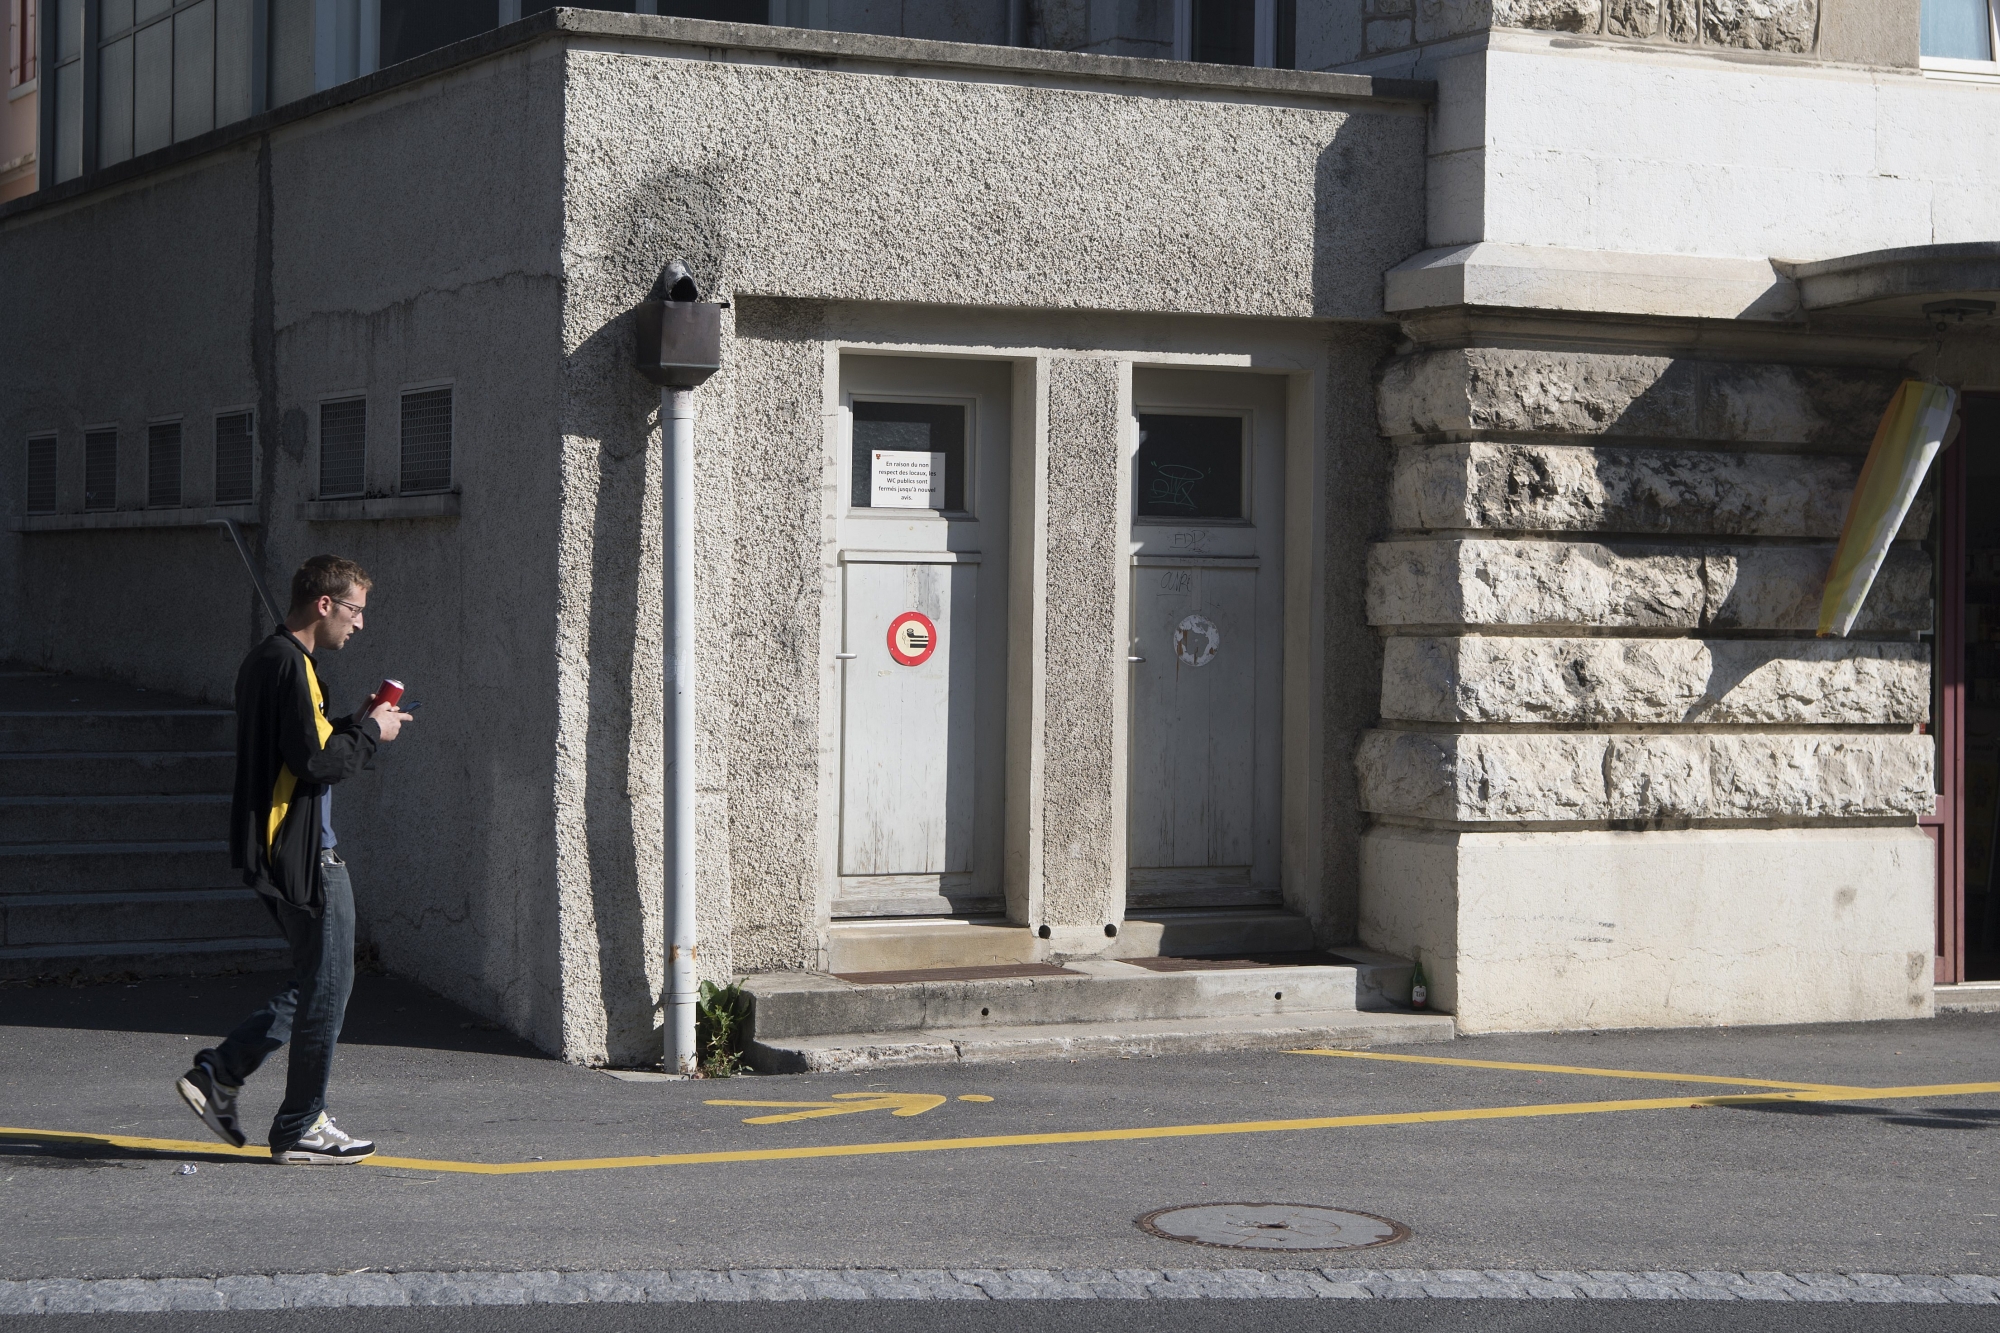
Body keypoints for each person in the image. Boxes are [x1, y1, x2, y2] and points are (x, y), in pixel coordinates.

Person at [175, 555, 413, 1164]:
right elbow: (315, 763)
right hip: (305, 852)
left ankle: (221, 1073)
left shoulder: (268, 659)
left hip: (277, 846)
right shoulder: (291, 664)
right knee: (329, 987)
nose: (359, 625)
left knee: (319, 980)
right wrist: (370, 736)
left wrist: (350, 725)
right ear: (325, 604)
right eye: (355, 610)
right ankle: (300, 1123)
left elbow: (298, 743)